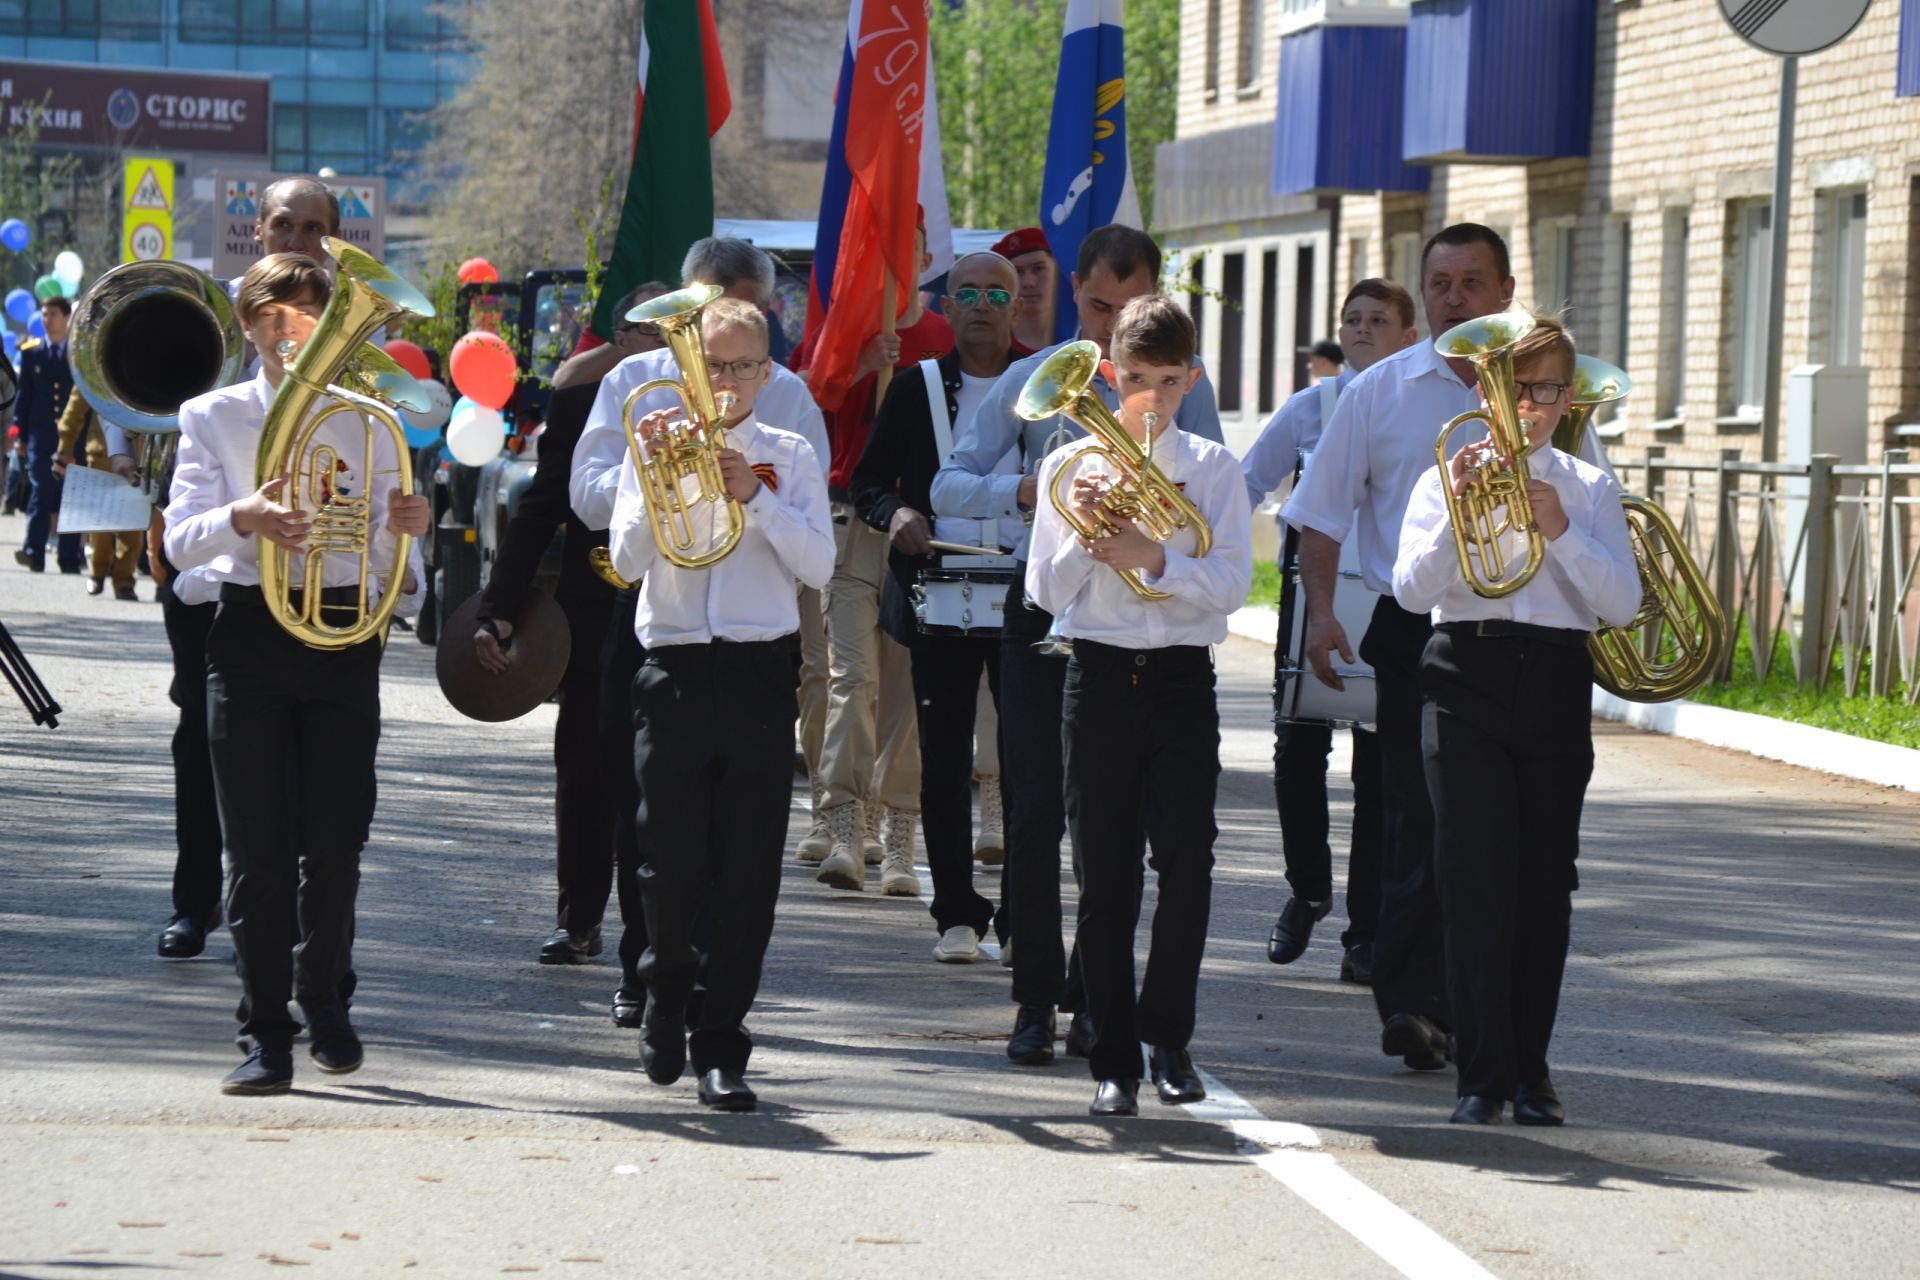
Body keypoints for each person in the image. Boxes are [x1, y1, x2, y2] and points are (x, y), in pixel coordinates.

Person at [1283, 224, 1614, 1074]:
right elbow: (1321, 512)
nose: (1454, 299)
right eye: (1439, 283)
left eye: (1472, 283)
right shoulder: (1380, 389)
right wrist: (1322, 613)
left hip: (1540, 635)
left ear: (1505, 291)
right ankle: (1415, 1002)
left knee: (1506, 848)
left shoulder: (1552, 395)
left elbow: (1596, 513)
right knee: (1412, 814)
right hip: (1416, 618)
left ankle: (1483, 1016)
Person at [932, 223, 1225, 1065]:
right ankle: (1033, 1001)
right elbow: (950, 480)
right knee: (1033, 811)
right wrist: (1030, 489)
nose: (1111, 331)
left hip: (1143, 619)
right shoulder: (1031, 378)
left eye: (1130, 310)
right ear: (1076, 294)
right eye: (1099, 308)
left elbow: (1213, 488)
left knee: (1114, 828)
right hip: (1046, 609)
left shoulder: (1181, 388)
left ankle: (1096, 1000)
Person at [163, 252, 430, 1094]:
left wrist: (407, 531)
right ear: (248, 328)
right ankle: (265, 1032)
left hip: (344, 636)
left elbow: (401, 572)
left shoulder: (366, 416)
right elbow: (178, 546)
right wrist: (243, 517)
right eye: (275, 323)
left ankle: (326, 999)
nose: (291, 339)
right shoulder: (212, 416)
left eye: (310, 324)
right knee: (256, 852)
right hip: (248, 637)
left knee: (336, 846)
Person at [1392, 313, 1638, 1124]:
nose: (1524, 404)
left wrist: (1560, 529)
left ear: (1567, 397)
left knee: (1543, 884)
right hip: (1463, 671)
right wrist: (1464, 508)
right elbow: (1410, 591)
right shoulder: (1444, 476)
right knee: (1473, 878)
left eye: (1541, 389)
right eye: (1510, 386)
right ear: (1485, 390)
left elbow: (1622, 604)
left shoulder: (1589, 486)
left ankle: (1531, 1070)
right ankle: (1481, 1076)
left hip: (1555, 677)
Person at [1027, 294, 1252, 1116]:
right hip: (1096, 676)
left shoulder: (1216, 471)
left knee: (1188, 864)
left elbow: (1229, 589)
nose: (1149, 399)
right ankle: (1113, 1057)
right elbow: (1041, 592)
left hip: (1181, 682)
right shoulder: (1068, 467)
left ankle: (1171, 1039)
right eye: (1133, 379)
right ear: (1108, 374)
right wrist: (1092, 544)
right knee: (1105, 878)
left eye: (1166, 380)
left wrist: (1155, 555)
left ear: (1191, 379)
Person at [608, 297, 833, 1112]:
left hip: (755, 674)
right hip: (670, 670)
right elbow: (628, 559)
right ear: (688, 370)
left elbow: (817, 564)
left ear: (767, 373)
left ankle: (722, 1045)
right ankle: (666, 990)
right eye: (714, 366)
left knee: (745, 874)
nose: (728, 383)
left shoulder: (788, 453)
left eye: (743, 367)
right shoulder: (652, 444)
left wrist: (755, 498)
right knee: (667, 862)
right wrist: (671, 472)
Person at [570, 237, 833, 886]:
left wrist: (752, 493)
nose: (724, 349)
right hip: (662, 614)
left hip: (754, 634)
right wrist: (664, 480)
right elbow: (586, 494)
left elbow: (812, 524)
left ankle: (714, 970)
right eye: (707, 314)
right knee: (647, 807)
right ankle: (642, 968)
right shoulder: (634, 383)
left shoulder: (789, 398)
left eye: (748, 319)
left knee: (741, 826)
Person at [150, 173, 351, 962]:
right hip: (216, 565)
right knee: (202, 731)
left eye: (314, 228)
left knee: (303, 747)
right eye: (284, 225)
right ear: (257, 230)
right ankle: (194, 903)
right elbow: (159, 405)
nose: (297, 239)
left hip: (314, 567)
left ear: (336, 240)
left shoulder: (353, 323)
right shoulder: (214, 315)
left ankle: (288, 913)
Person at [473, 282, 668, 972]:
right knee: (586, 780)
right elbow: (538, 514)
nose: (665, 343)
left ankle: (654, 943)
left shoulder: (719, 407)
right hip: (596, 623)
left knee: (663, 794)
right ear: (619, 340)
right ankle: (577, 919)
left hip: (686, 628)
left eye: (680, 329)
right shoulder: (584, 401)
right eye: (651, 329)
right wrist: (497, 606)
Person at [1241, 279, 1418, 984]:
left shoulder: (1420, 403)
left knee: (1380, 768)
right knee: (1298, 747)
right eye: (1352, 320)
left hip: (1387, 596)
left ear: (1409, 336)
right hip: (1311, 595)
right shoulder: (1310, 405)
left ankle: (1367, 931)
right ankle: (1306, 888)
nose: (1363, 330)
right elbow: (1246, 483)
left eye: (1380, 320)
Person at [851, 250, 1026, 959]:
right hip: (938, 589)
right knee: (947, 753)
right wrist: (895, 516)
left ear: (1016, 306)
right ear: (945, 308)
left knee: (1024, 756)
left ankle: (1024, 916)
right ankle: (956, 912)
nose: (982, 303)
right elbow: (867, 483)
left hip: (1023, 591)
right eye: (967, 293)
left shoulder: (1047, 382)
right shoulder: (915, 386)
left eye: (997, 292)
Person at [798, 215, 954, 893]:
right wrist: (859, 364)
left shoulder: (945, 338)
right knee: (849, 678)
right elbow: (807, 407)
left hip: (917, 534)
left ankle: (898, 833)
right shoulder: (847, 330)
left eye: (906, 248)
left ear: (923, 256)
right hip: (851, 524)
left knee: (905, 691)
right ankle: (841, 822)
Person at [13, 297, 82, 575]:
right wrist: (19, 434)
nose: (47, 319)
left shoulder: (78, 354)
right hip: (41, 436)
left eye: (53, 314)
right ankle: (34, 551)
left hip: (71, 437)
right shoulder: (33, 353)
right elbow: (24, 396)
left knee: (71, 495)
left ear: (66, 318)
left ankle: (69, 557)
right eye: (44, 314)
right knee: (41, 491)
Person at [54, 390, 144, 600]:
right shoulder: (97, 365)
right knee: (100, 518)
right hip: (101, 452)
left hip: (139, 452)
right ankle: (98, 572)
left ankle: (124, 581)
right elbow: (76, 404)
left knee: (133, 520)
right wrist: (65, 447)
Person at [991, 227, 1060, 355]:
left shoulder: (1079, 336)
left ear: (1057, 270)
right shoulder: (990, 343)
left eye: (1038, 269)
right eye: (1017, 272)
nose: (1029, 283)